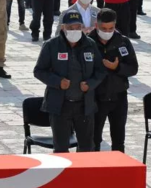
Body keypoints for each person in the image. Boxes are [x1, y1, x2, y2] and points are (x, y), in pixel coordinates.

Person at [34, 11, 106, 153]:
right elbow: (39, 71)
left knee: (86, 148)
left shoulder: (90, 45)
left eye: (78, 27)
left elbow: (101, 71)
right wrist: (57, 82)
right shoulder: (52, 45)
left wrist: (90, 84)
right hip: (60, 105)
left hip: (84, 106)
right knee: (61, 148)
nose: (75, 31)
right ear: (63, 28)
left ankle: (83, 175)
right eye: (71, 28)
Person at [89, 9, 137, 152]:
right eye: (104, 29)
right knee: (93, 139)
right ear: (97, 25)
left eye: (111, 28)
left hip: (118, 96)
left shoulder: (123, 41)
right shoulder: (88, 42)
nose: (107, 32)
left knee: (118, 139)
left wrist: (117, 67)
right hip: (96, 98)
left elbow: (133, 68)